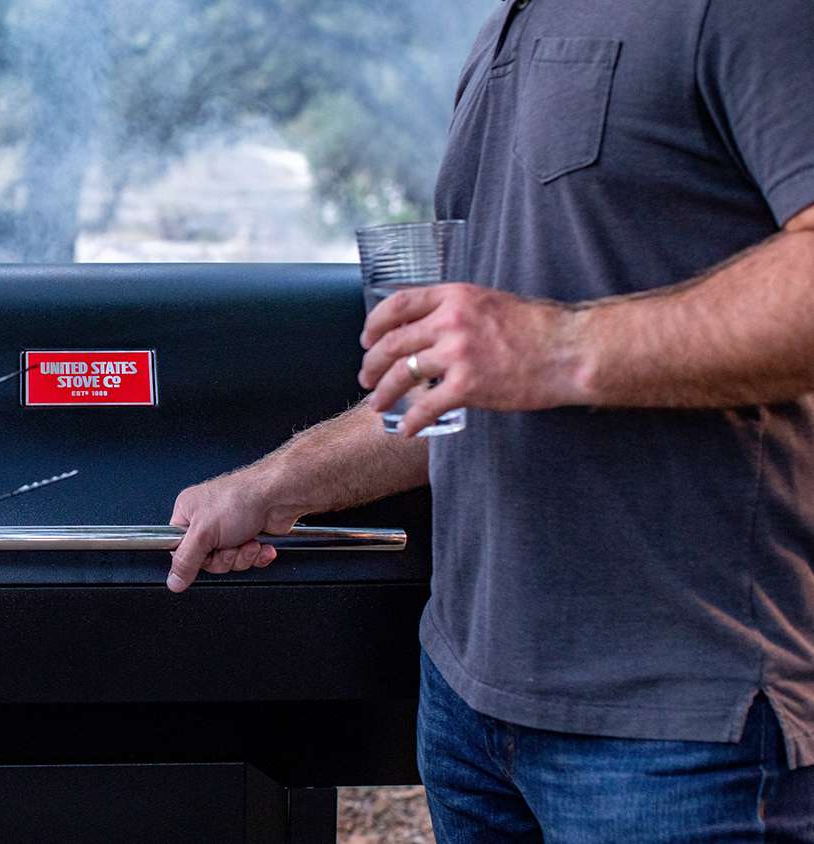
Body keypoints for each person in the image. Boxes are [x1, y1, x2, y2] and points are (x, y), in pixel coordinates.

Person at [168, 1, 814, 840]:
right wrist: (274, 485)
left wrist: (556, 345)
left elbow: (529, 352)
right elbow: (465, 387)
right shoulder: (506, 30)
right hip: (469, 709)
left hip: (681, 731)